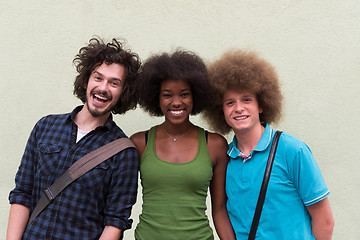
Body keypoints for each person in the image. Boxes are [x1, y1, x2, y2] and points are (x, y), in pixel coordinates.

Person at [7, 37, 141, 240]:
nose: (103, 88)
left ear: (123, 92)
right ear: (86, 79)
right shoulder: (45, 127)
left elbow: (115, 222)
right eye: (98, 78)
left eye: (114, 83)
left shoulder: (124, 152)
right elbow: (22, 194)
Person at [203, 49, 335, 239]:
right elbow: (222, 212)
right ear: (221, 111)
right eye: (230, 103)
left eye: (247, 100)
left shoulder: (293, 151)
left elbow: (325, 220)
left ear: (261, 105)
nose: (238, 108)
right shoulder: (225, 159)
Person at [130, 50, 236, 240]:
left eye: (184, 94)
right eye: (167, 95)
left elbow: (219, 210)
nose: (176, 102)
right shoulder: (139, 143)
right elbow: (119, 203)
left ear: (195, 96)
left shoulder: (215, 145)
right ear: (157, 98)